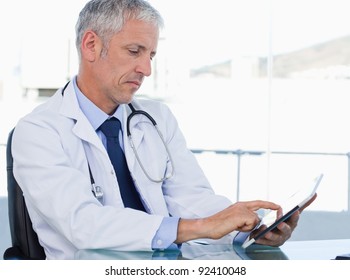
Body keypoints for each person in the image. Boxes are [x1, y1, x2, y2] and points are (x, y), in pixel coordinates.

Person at [12, 0, 315, 260]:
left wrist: (246, 229)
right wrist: (199, 227)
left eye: (151, 55)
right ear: (91, 45)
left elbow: (192, 199)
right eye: (134, 51)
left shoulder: (157, 118)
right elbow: (83, 224)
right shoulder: (38, 131)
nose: (147, 69)